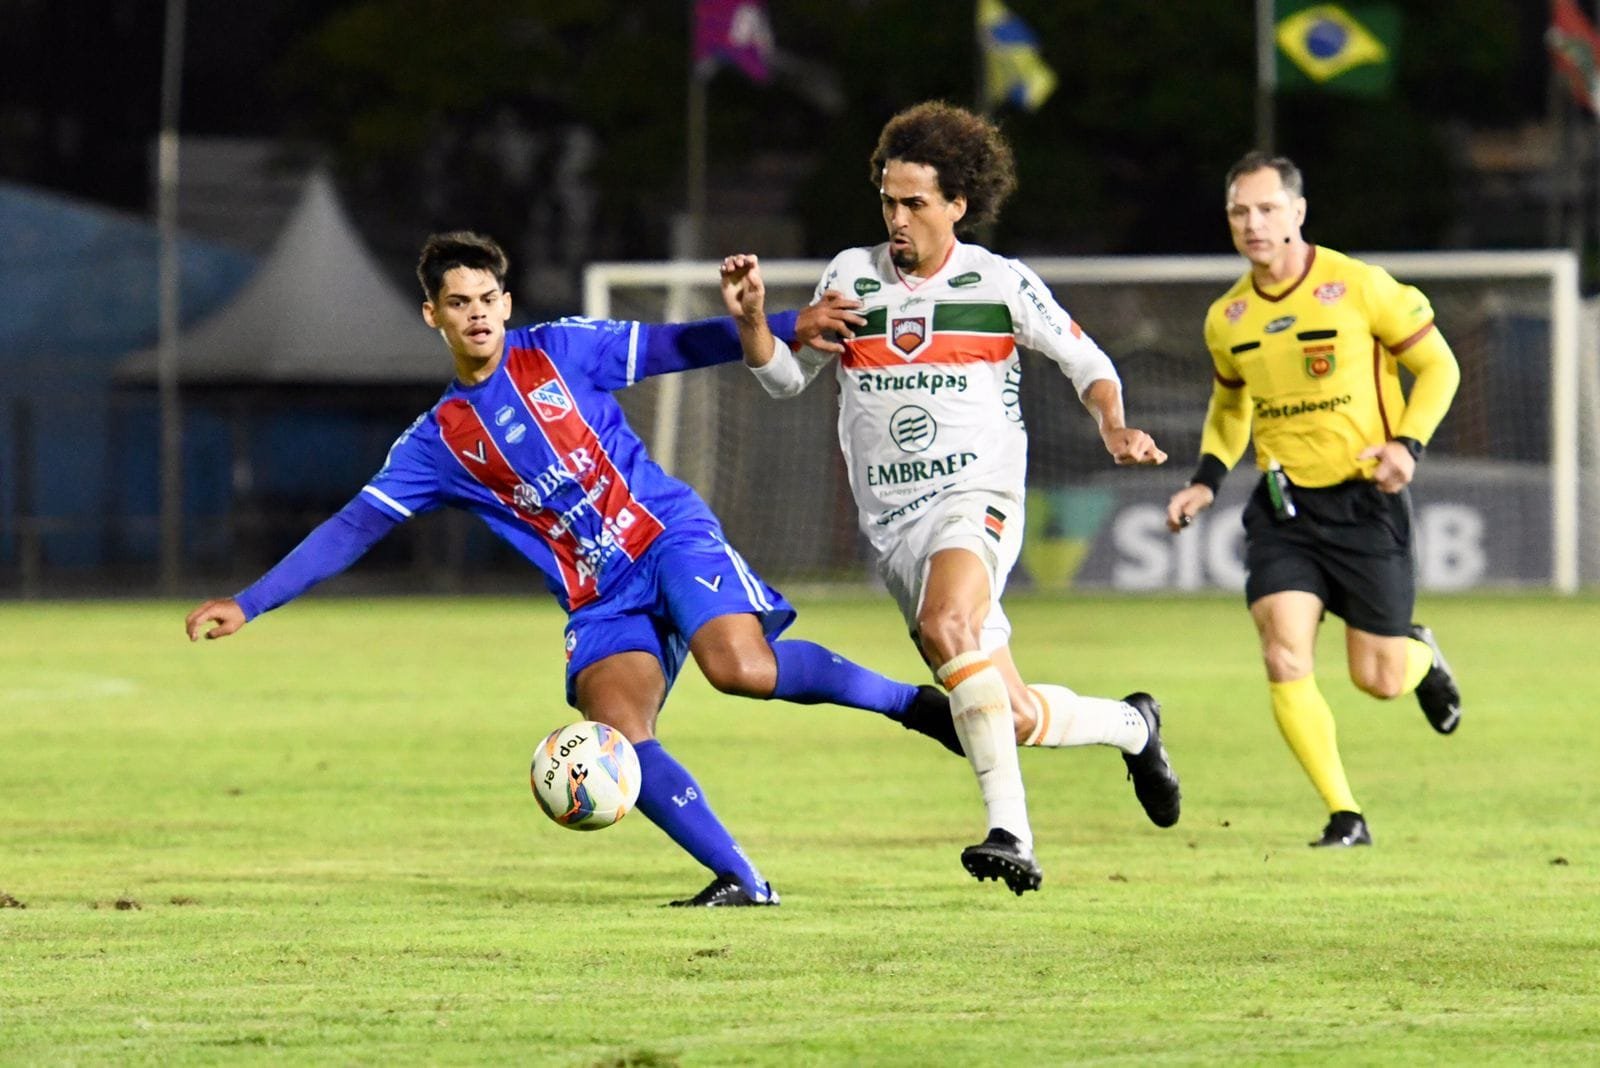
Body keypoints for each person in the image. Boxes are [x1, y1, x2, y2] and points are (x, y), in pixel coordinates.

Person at [185, 230, 957, 908]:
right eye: (458, 303)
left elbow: (676, 345)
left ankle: (911, 706)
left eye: (486, 298)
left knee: (741, 671)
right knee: (616, 731)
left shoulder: (560, 349)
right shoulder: (437, 441)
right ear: (432, 316)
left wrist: (784, 323)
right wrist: (249, 603)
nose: (477, 313)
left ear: (506, 301)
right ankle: (744, 881)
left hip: (664, 536)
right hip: (600, 596)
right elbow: (353, 528)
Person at [723, 101, 1182, 897]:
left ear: (958, 205)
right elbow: (786, 381)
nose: (897, 219)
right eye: (888, 202)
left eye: (915, 203)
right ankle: (1133, 726)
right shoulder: (850, 276)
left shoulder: (999, 282)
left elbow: (1088, 362)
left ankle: (1012, 834)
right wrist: (757, 322)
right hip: (892, 524)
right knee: (1010, 714)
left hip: (977, 495)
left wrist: (1113, 425)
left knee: (946, 623)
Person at [1163, 151, 1463, 849]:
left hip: (1365, 503)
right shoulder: (1228, 317)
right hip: (1283, 509)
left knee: (1378, 678)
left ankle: (1420, 659)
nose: (1253, 223)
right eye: (1240, 211)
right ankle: (1344, 814)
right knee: (1283, 655)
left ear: (1298, 212)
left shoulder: (1360, 285)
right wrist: (1206, 479)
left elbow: (1439, 367)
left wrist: (1408, 445)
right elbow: (1230, 407)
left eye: (1267, 209)